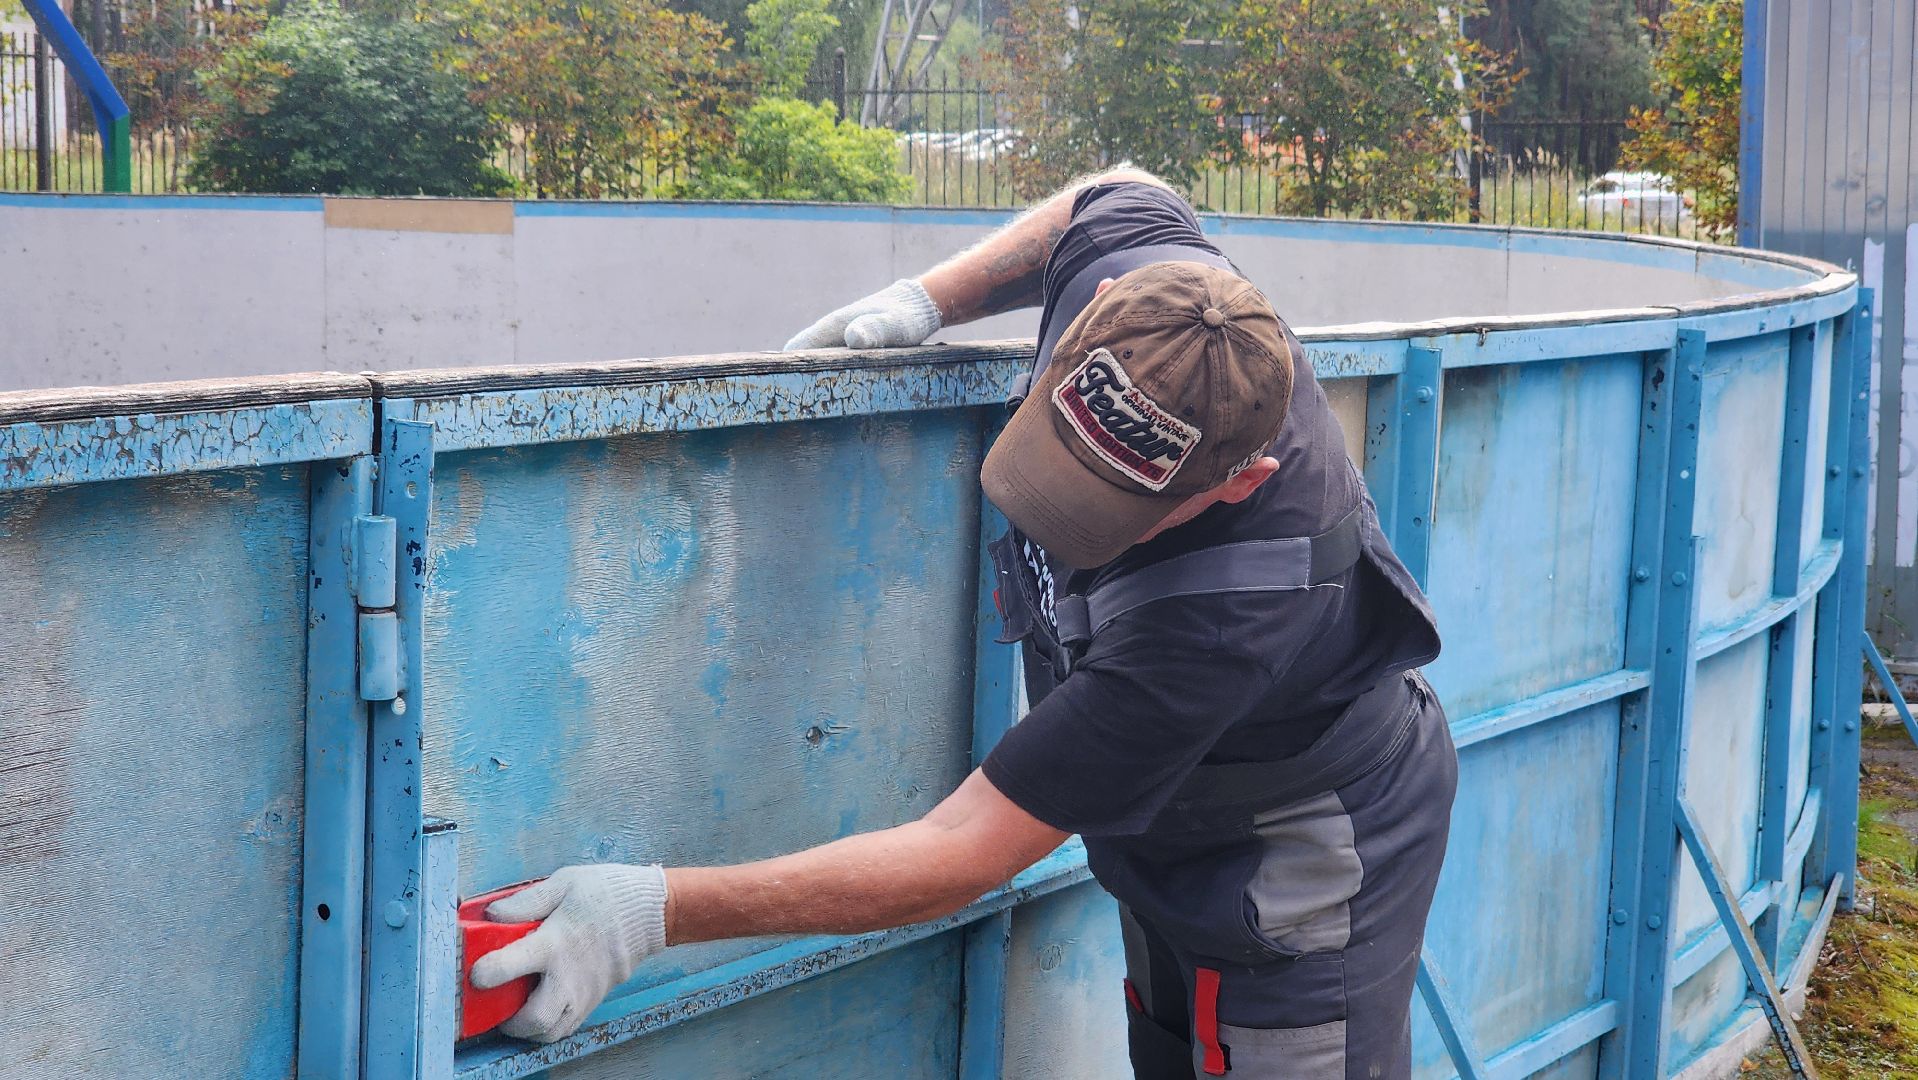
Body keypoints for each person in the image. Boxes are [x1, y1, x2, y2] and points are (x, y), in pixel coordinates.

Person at [472, 167, 1456, 1080]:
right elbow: (1115, 194)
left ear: (1243, 481)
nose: (1057, 511)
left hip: (1296, 855)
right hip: (1168, 818)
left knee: (1263, 1048)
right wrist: (926, 300)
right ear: (1095, 313)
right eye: (1057, 459)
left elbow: (963, 846)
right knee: (1174, 1046)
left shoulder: (1220, 618)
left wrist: (652, 910)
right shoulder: (1151, 301)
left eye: (1106, 509)